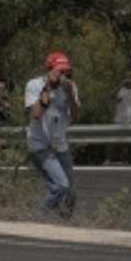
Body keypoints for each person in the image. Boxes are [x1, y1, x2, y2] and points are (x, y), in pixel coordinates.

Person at [24, 51, 81, 218]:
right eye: (60, 72)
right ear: (49, 70)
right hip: (40, 145)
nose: (63, 76)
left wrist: (70, 94)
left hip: (60, 145)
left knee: (70, 193)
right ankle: (39, 217)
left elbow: (76, 116)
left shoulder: (70, 87)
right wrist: (48, 88)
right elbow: (36, 114)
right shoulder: (34, 85)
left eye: (66, 72)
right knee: (60, 186)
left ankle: (63, 223)